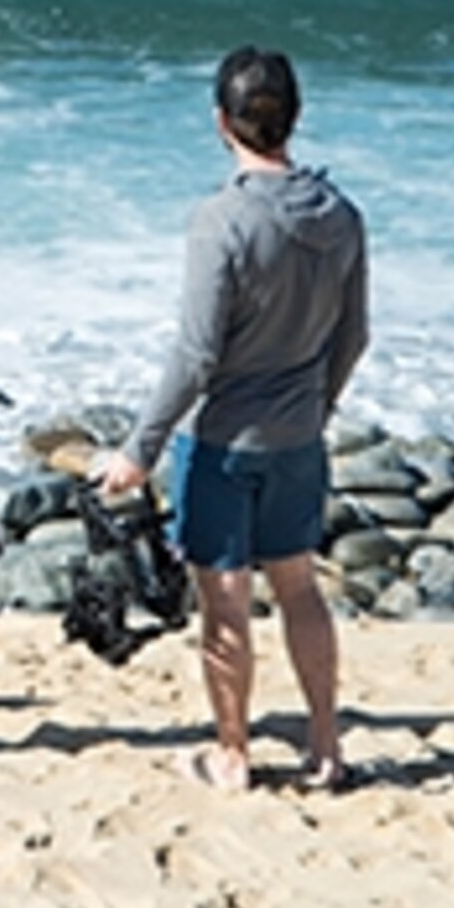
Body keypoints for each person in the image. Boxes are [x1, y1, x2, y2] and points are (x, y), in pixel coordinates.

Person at [99, 46, 370, 794]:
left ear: (222, 122)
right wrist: (318, 406)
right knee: (299, 587)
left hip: (223, 443)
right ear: (295, 118)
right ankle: (325, 749)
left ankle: (233, 752)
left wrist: (137, 450)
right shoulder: (342, 216)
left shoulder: (222, 220)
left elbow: (195, 353)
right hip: (298, 438)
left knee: (225, 601)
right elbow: (355, 335)